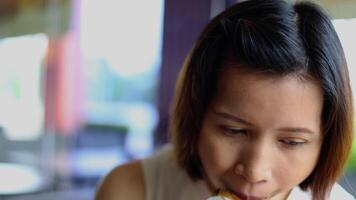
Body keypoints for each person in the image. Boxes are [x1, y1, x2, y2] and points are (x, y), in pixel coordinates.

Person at [95, 0, 355, 199]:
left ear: (325, 142)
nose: (255, 170)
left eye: (291, 142)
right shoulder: (133, 189)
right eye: (234, 130)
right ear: (197, 113)